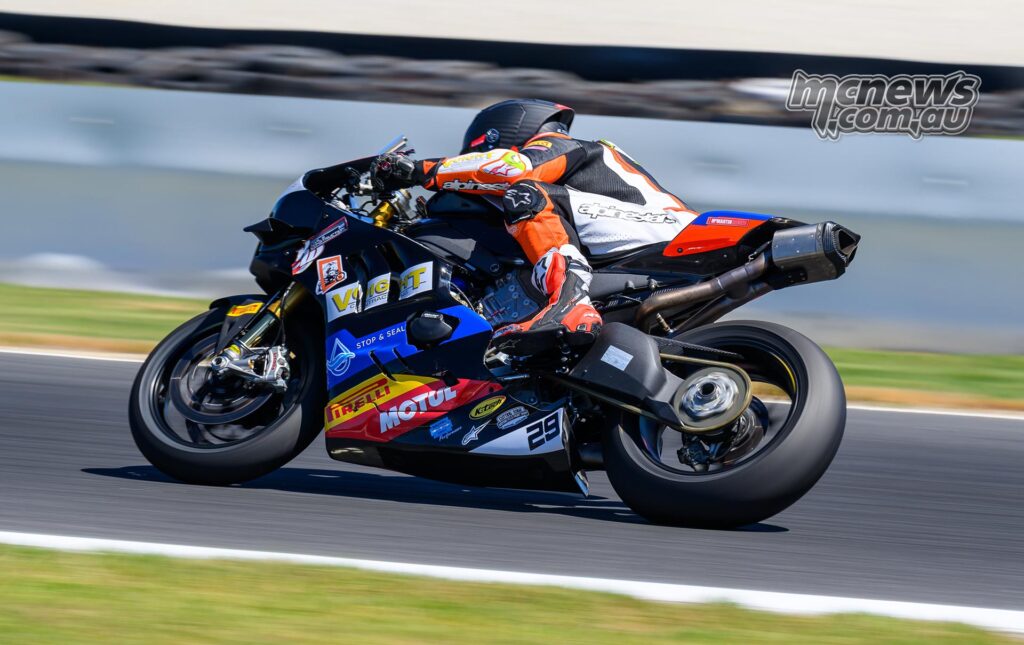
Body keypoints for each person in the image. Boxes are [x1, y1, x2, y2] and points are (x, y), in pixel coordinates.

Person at [370, 98, 696, 355]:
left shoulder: (556, 143)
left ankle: (570, 303)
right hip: (639, 244)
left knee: (525, 193)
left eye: (473, 155)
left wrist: (418, 171)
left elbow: (512, 169)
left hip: (669, 232)